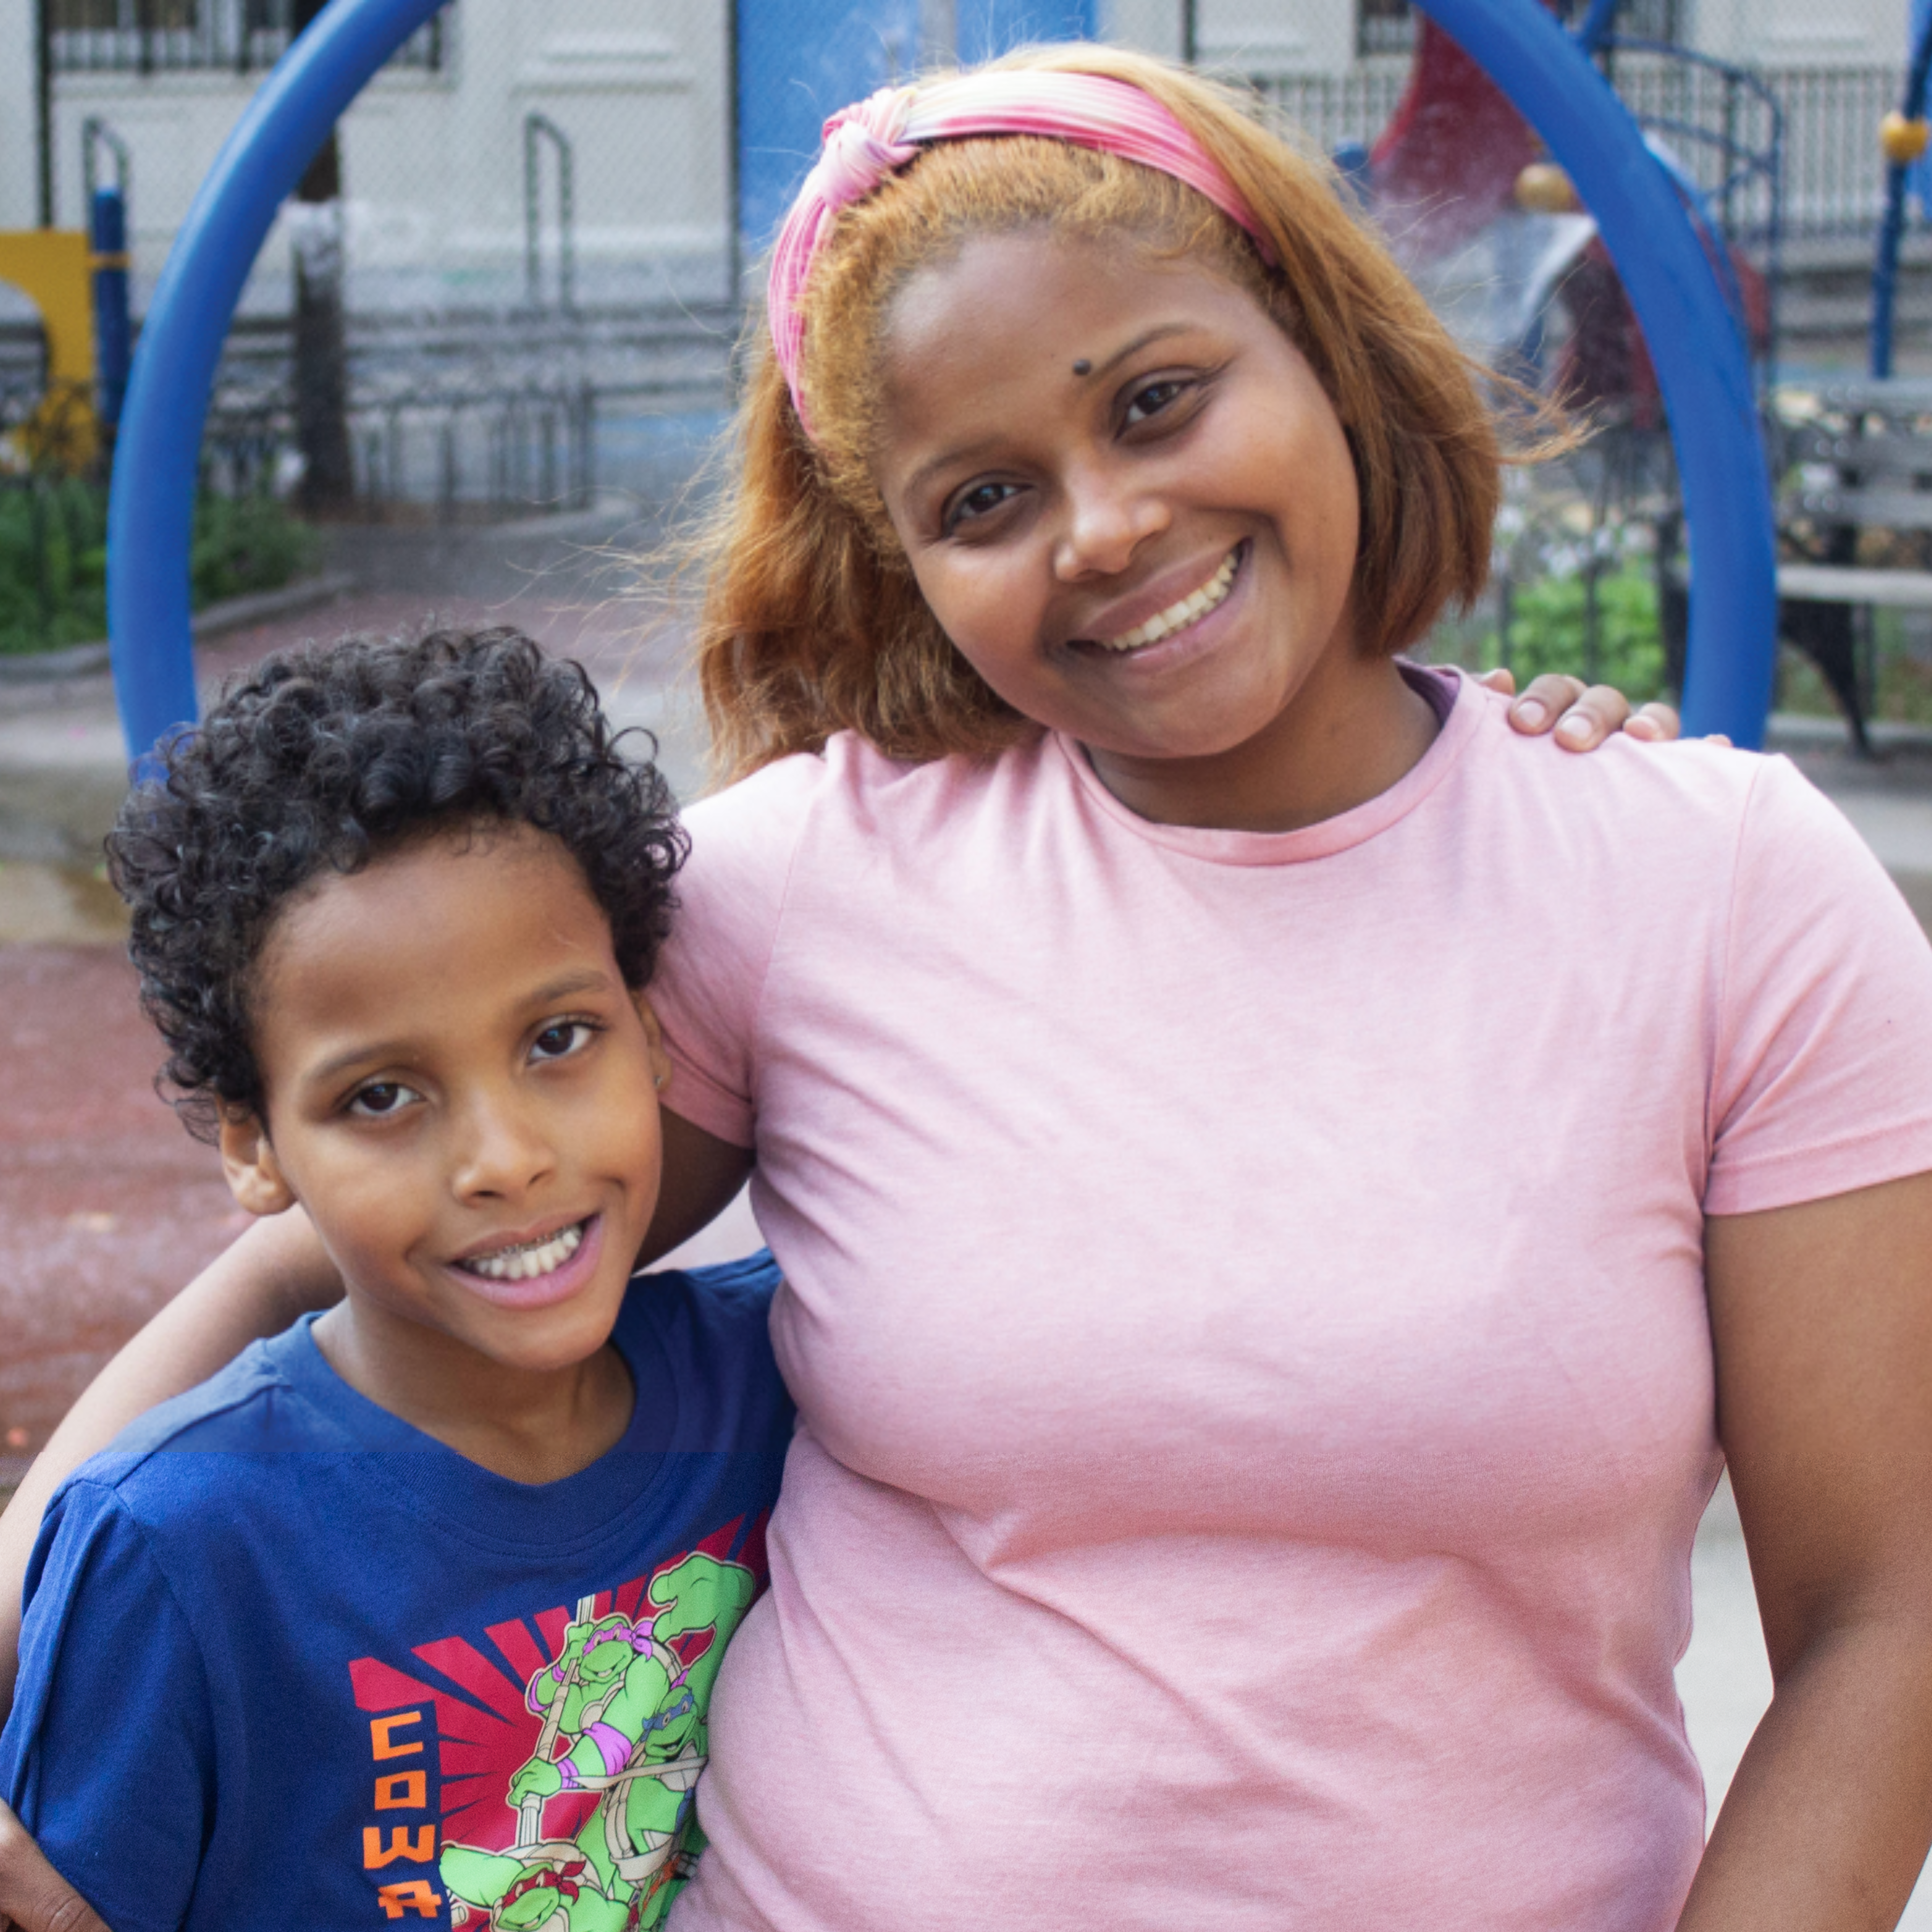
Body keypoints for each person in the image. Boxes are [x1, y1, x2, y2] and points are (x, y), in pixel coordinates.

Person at [7, 39, 1929, 1932]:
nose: (1100, 527)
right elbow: (378, 1246)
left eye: (1158, 400)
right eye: (982, 502)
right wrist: (21, 1595)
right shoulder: (801, 891)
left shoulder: (1719, 886)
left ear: (1322, 351)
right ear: (903, 559)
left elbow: (1881, 1608)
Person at [0, 631, 793, 1932]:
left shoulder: (781, 1376)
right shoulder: (174, 1550)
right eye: (380, 1096)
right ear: (255, 1146)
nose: (505, 1158)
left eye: (556, 1039)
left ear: (652, 1032)